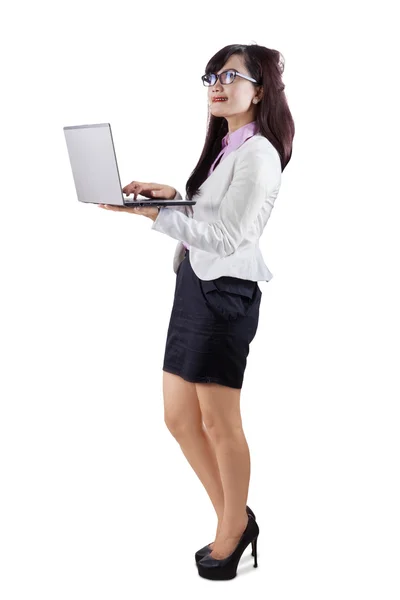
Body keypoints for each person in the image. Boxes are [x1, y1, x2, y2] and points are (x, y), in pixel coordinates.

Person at [99, 42, 295, 580]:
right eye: (211, 75)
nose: (217, 83)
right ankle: (237, 517)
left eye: (231, 75)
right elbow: (214, 213)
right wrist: (174, 197)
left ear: (260, 90)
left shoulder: (259, 153)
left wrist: (153, 213)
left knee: (218, 421)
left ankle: (231, 531)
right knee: (179, 418)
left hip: (224, 294)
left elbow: (230, 237)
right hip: (194, 284)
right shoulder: (229, 145)